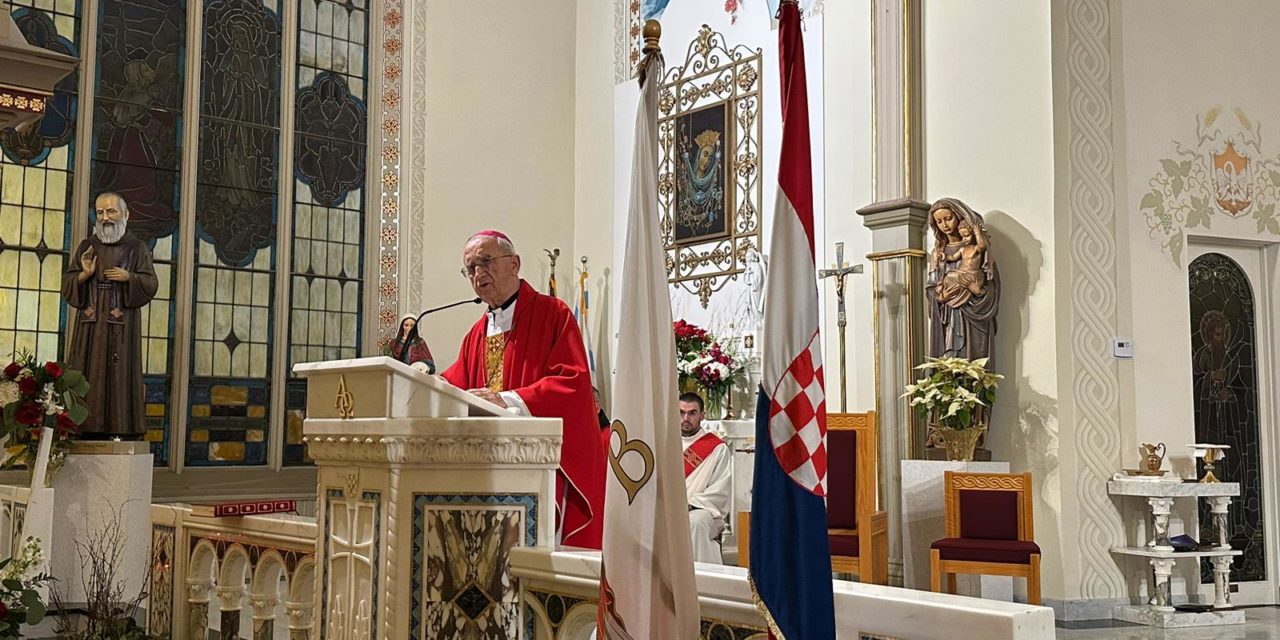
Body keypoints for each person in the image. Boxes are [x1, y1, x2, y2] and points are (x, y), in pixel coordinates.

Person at [441, 230, 605, 549]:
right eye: (470, 268)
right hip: (485, 468)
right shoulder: (476, 334)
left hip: (537, 467)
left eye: (485, 261)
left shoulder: (553, 315)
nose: (477, 274)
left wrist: (506, 399)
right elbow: (455, 384)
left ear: (514, 264)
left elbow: (572, 382)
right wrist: (426, 383)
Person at [60, 193, 159, 439]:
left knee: (119, 374)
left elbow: (150, 283)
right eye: (100, 212)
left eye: (111, 211)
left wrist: (130, 278)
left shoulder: (137, 248)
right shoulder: (87, 247)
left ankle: (120, 428)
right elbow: (68, 284)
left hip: (120, 325)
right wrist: (83, 275)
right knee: (86, 371)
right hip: (90, 326)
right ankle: (81, 428)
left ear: (126, 215)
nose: (105, 218)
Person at [679, 392, 731, 564]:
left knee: (695, 523)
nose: (686, 418)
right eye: (681, 413)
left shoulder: (717, 448)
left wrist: (689, 504)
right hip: (667, 508)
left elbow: (720, 490)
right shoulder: (665, 444)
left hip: (702, 509)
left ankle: (700, 583)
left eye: (692, 413)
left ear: (702, 415)